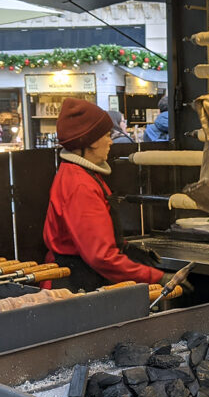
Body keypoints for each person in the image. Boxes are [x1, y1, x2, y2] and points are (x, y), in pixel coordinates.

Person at [43, 97, 170, 291]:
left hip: (79, 276)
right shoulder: (80, 185)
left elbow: (95, 235)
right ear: (90, 141)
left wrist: (127, 248)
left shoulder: (78, 173)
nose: (110, 141)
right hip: (75, 284)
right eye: (106, 135)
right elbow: (101, 256)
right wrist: (157, 277)